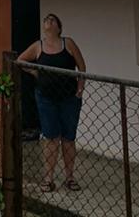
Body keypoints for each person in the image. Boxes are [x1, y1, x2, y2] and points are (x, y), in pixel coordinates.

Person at [18, 12, 86, 193]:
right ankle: (48, 178)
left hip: (69, 98)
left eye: (52, 20)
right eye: (46, 20)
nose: (48, 21)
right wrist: (35, 72)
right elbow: (20, 61)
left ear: (59, 27)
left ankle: (69, 177)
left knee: (68, 138)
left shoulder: (68, 43)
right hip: (46, 99)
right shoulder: (38, 46)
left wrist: (80, 89)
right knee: (50, 138)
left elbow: (82, 67)